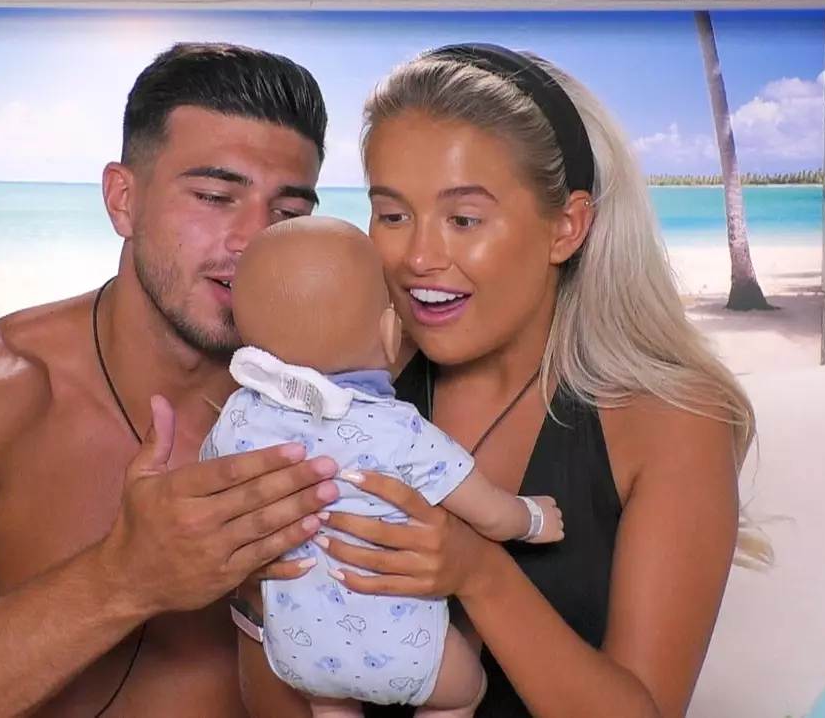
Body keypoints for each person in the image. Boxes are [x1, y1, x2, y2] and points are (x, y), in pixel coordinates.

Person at [0, 42, 348, 718]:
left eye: (286, 214)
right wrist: (124, 578)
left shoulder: (338, 412)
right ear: (123, 199)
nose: (252, 239)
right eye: (213, 197)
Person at [238, 43, 769, 718]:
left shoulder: (672, 421)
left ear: (566, 228)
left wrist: (478, 572)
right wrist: (256, 592)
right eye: (393, 215)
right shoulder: (329, 397)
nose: (419, 256)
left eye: (463, 219)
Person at [202, 216, 564, 718]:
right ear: (389, 332)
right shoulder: (395, 428)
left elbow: (215, 481)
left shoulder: (240, 415)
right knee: (463, 691)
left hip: (299, 654)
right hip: (403, 655)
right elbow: (488, 511)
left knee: (329, 704)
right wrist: (534, 518)